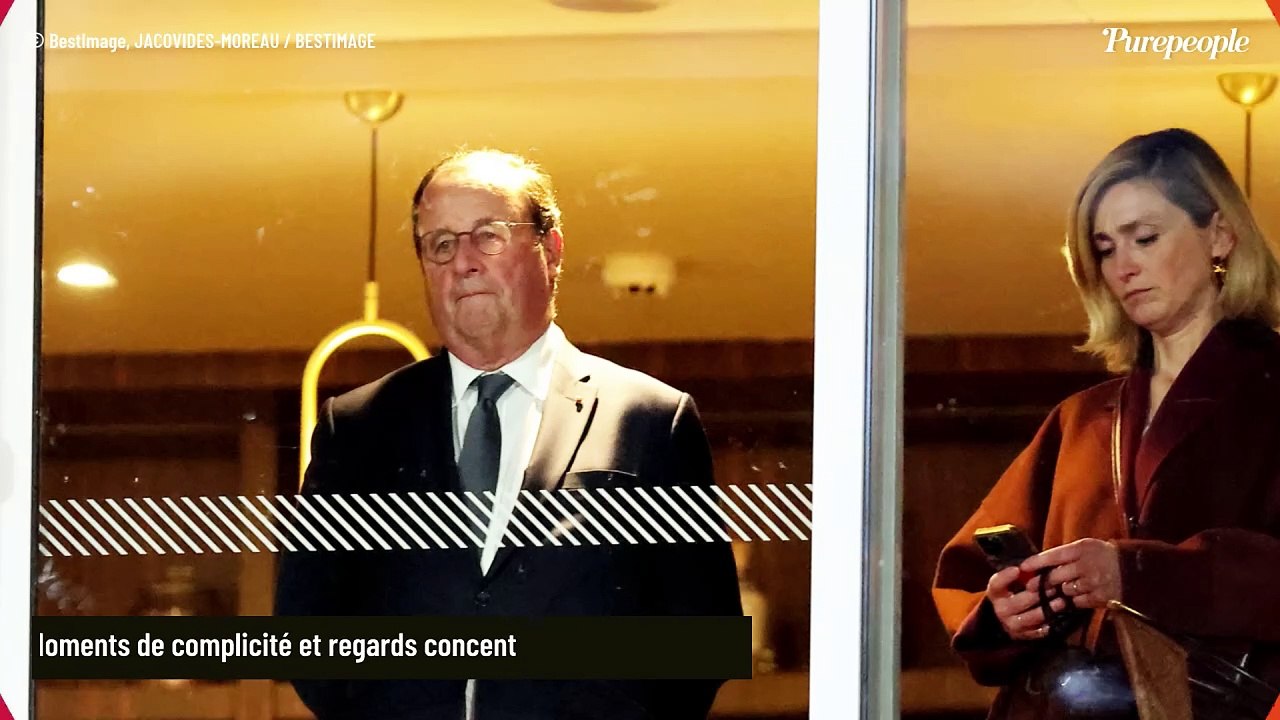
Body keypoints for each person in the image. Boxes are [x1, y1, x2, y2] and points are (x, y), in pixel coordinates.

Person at [276, 148, 742, 720]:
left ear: (551, 249)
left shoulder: (649, 419)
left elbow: (702, 644)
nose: (462, 261)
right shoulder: (357, 428)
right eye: (440, 244)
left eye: (487, 236)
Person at [932, 128, 1280, 718]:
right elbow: (967, 573)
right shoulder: (1082, 419)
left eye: (1144, 237)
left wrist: (1135, 571)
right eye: (1105, 248)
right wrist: (1008, 609)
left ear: (1219, 235)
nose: (1123, 267)